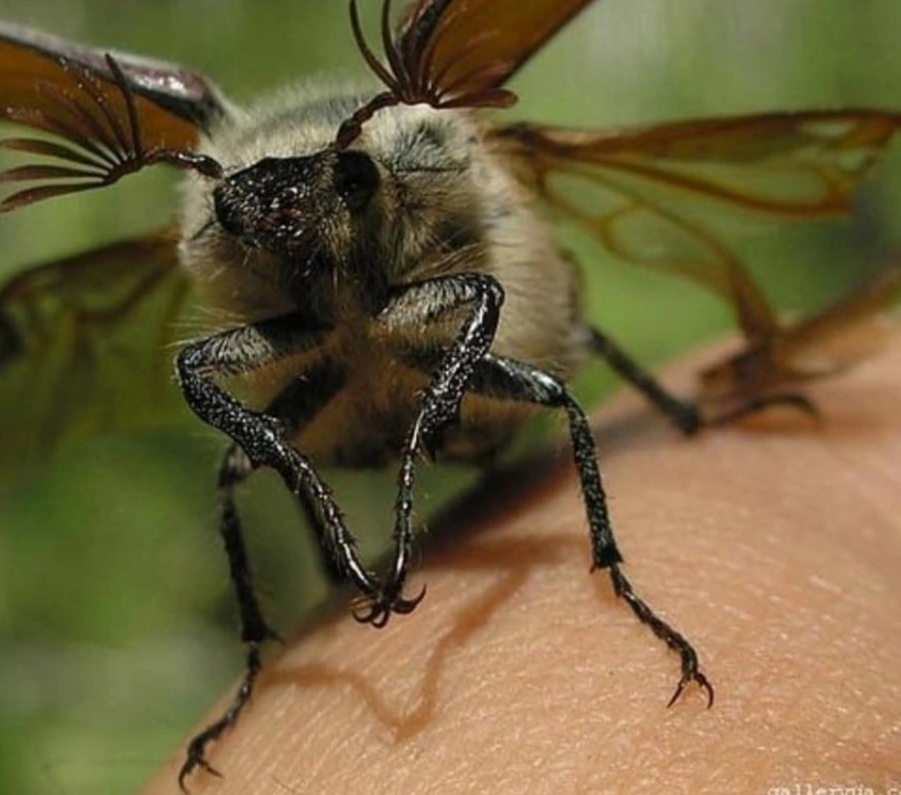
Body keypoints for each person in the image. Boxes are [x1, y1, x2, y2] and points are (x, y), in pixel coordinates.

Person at [139, 336, 900, 793]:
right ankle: (256, 646)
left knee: (562, 376)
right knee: (238, 470)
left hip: (475, 380)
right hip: (372, 403)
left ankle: (617, 566)